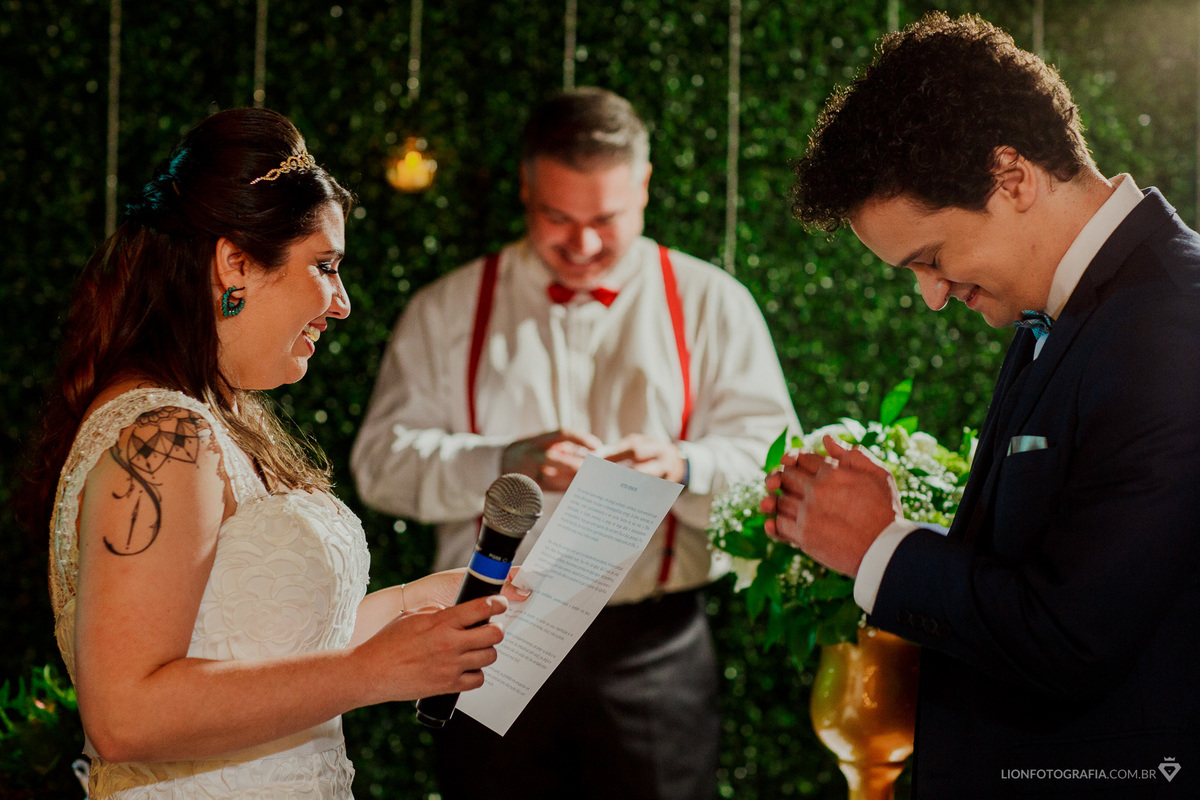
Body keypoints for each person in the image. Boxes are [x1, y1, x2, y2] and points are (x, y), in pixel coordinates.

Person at [21, 107, 526, 799]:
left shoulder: (214, 418)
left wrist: (418, 607)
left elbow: (254, 643)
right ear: (235, 262)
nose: (342, 302)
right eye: (324, 266)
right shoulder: (164, 439)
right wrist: (376, 673)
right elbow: (127, 716)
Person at [769, 12, 1200, 798]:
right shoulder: (1065, 312)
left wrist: (882, 546)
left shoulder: (1175, 320)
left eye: (931, 260)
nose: (932, 297)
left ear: (1012, 177)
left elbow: (1073, 637)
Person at [351, 86, 799, 800]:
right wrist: (499, 464)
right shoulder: (445, 309)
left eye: (605, 219)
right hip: (487, 639)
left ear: (645, 187)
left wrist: (684, 464)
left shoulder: (715, 303)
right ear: (526, 186)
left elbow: (777, 461)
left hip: (653, 649)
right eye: (557, 217)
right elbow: (379, 465)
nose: (583, 245)